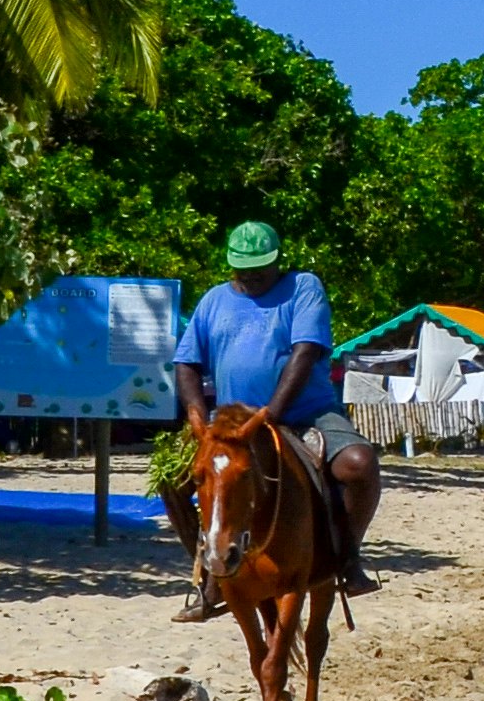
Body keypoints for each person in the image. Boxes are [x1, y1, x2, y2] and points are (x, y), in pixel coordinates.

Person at [160, 220, 380, 618]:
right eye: (244, 268)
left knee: (359, 464)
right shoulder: (214, 301)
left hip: (302, 412)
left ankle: (346, 557)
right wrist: (197, 416)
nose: (253, 275)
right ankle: (211, 575)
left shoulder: (303, 287)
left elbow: (305, 352)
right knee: (170, 480)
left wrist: (272, 414)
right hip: (231, 425)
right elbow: (186, 362)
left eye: (261, 266)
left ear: (278, 260)